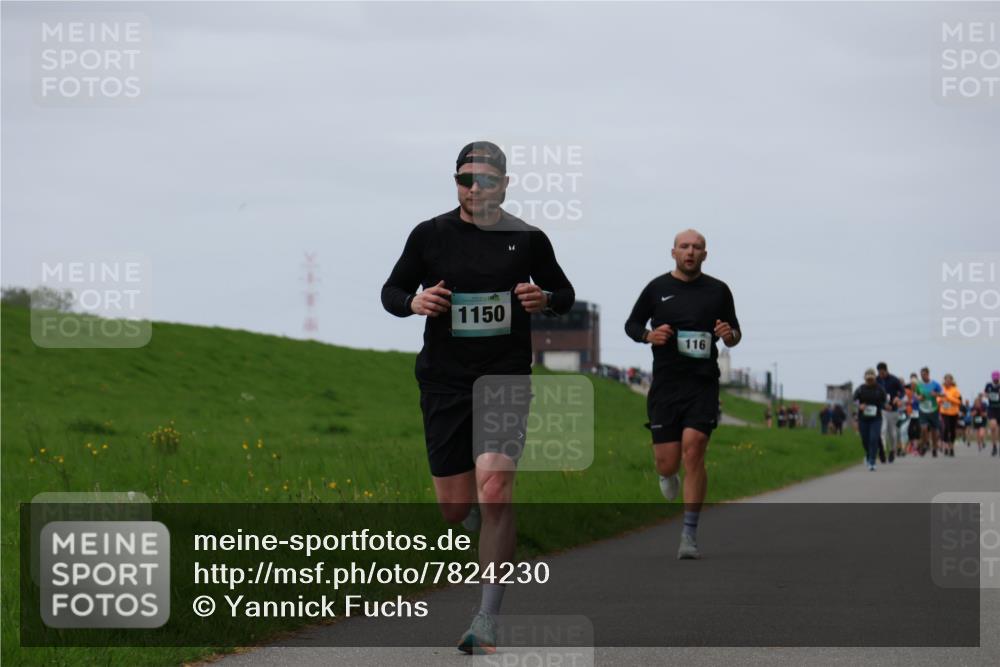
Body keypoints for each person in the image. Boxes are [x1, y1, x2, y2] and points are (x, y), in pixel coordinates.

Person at [381, 141, 575, 653]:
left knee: (495, 488)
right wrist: (415, 301)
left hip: (504, 377)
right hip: (444, 380)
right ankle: (473, 519)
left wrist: (546, 298)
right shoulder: (429, 235)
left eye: (485, 179)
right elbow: (391, 292)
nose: (474, 187)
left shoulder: (529, 240)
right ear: (457, 183)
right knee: (454, 508)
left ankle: (486, 618)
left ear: (504, 184)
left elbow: (564, 293)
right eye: (465, 178)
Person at [625, 228, 741, 560]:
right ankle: (667, 473)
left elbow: (734, 333)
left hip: (702, 383)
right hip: (666, 386)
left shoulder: (719, 291)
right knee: (667, 462)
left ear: (705, 254)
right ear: (673, 252)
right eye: (684, 247)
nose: (690, 252)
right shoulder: (657, 288)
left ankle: (689, 534)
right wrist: (649, 336)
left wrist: (728, 334)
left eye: (697, 247)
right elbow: (631, 325)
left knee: (695, 450)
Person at [854, 368, 888, 471]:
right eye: (868, 379)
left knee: (874, 439)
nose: (870, 381)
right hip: (863, 419)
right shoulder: (860, 389)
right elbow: (854, 400)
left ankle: (872, 461)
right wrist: (860, 405)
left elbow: (884, 401)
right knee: (865, 440)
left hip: (876, 418)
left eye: (871, 379)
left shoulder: (880, 389)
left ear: (874, 378)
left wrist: (886, 406)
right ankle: (868, 455)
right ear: (865, 379)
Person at [876, 362, 906, 460]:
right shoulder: (877, 380)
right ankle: (883, 451)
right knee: (882, 430)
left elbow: (903, 391)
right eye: (879, 373)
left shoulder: (894, 379)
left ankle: (892, 450)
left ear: (886, 370)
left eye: (882, 372)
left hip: (893, 410)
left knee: (892, 433)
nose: (881, 375)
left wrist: (898, 398)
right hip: (882, 410)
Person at [915, 367, 944, 458]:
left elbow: (943, 394)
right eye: (921, 375)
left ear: (928, 374)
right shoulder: (919, 385)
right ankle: (925, 445)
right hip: (923, 409)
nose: (923, 376)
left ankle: (934, 448)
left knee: (934, 431)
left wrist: (936, 394)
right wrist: (919, 398)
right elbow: (916, 395)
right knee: (923, 429)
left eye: (924, 374)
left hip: (933, 409)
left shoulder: (935, 384)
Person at [938, 374, 962, 458]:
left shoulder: (955, 390)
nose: (948, 382)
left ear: (952, 381)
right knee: (946, 428)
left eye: (949, 380)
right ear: (944, 381)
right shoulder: (941, 389)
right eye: (946, 380)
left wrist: (948, 397)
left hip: (954, 413)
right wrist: (941, 399)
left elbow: (959, 401)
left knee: (952, 431)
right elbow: (938, 399)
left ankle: (951, 448)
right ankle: (946, 447)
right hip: (944, 412)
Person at [985, 371, 1000, 457]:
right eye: (994, 379)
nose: (995, 380)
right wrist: (987, 395)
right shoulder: (988, 385)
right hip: (992, 408)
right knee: (993, 427)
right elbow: (985, 394)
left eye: (997, 379)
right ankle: (994, 447)